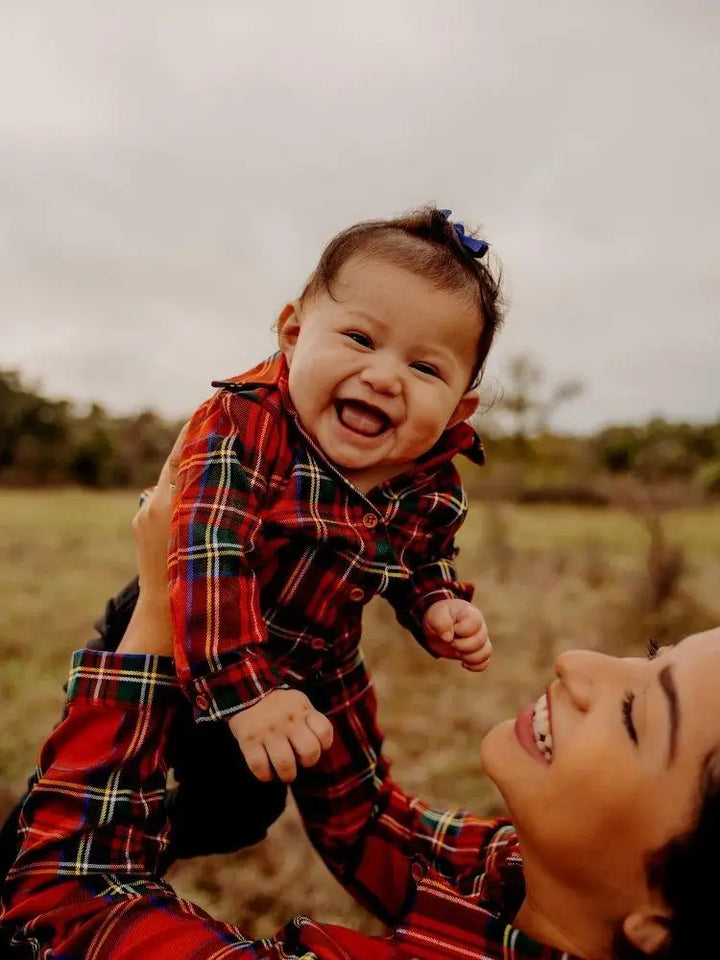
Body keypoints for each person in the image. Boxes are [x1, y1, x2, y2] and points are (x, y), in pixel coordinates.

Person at [1, 432, 718, 959]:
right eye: (652, 653)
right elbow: (363, 823)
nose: (577, 662)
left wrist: (163, 609)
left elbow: (65, 907)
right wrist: (321, 596)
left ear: (656, 927)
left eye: (638, 715)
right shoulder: (524, 878)